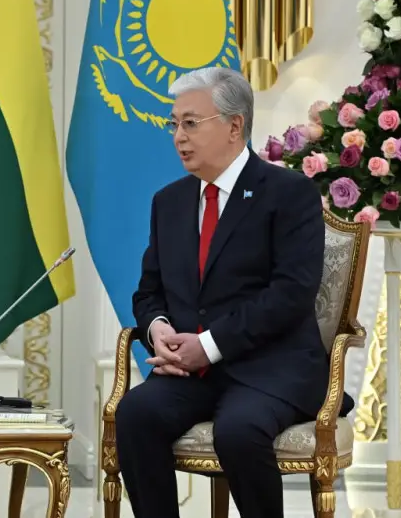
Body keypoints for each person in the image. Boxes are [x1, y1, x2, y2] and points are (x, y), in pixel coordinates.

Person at [115, 67, 336, 518]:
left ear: (235, 126)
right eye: (174, 124)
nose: (179, 136)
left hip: (271, 368)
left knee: (238, 431)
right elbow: (148, 291)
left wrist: (209, 345)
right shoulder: (169, 201)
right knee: (135, 413)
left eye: (190, 123)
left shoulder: (289, 193)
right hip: (192, 374)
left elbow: (291, 294)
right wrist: (158, 329)